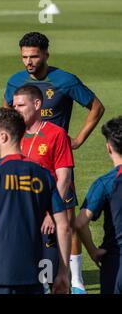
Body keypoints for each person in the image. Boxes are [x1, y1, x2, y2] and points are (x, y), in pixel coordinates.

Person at [4, 32, 105, 293]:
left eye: (34, 56)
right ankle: (37, 275)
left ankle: (76, 279)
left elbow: (96, 106)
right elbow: (6, 114)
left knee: (66, 221)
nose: (29, 61)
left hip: (57, 160)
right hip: (25, 160)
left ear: (46, 54)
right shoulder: (15, 81)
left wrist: (80, 138)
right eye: (25, 56)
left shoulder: (64, 80)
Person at [0, 107, 71, 294]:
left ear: (3, 137)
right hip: (33, 276)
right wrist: (63, 273)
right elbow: (64, 226)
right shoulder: (44, 174)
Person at [13, 84, 74, 293]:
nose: (16, 110)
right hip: (22, 218)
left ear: (37, 104)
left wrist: (51, 212)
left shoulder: (56, 134)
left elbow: (64, 177)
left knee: (46, 279)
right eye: (14, 106)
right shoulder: (13, 134)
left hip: (46, 219)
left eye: (21, 105)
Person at [75, 116, 122, 294]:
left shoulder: (105, 183)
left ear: (109, 147)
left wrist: (93, 251)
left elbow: (79, 223)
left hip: (116, 262)